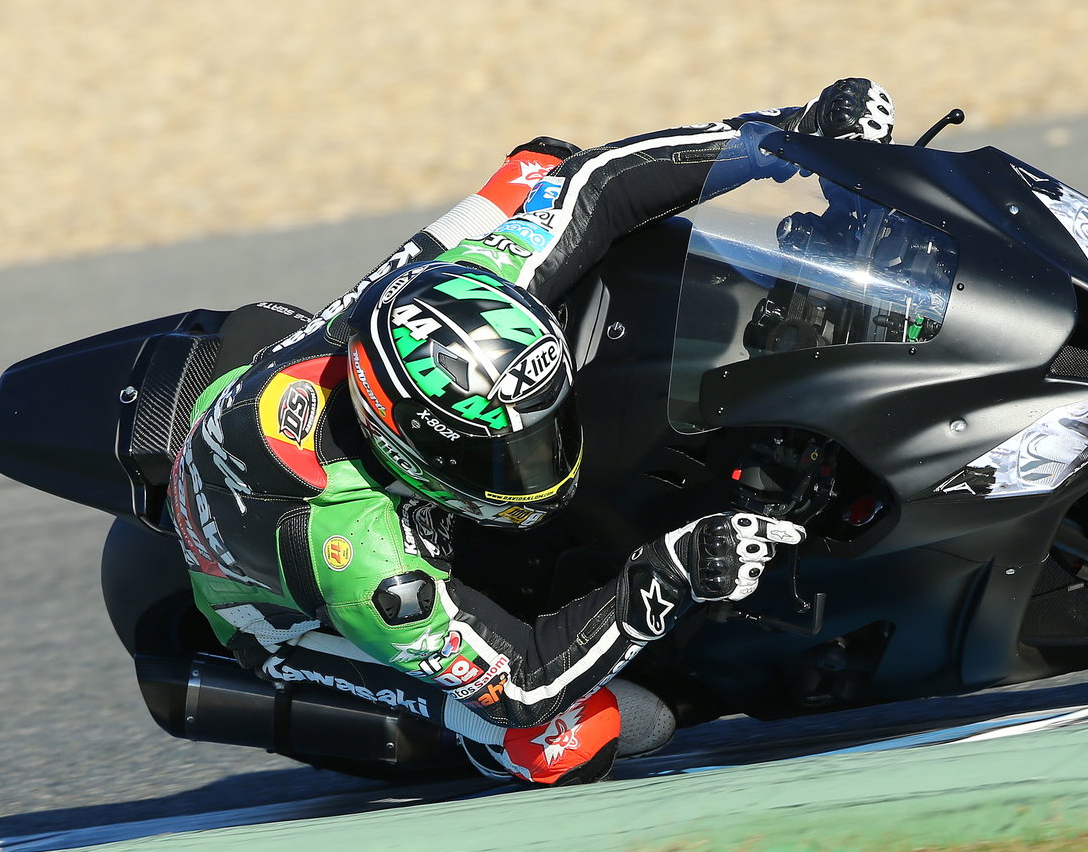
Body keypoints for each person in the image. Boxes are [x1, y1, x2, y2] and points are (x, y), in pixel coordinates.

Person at [167, 79, 897, 786]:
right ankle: (483, 749)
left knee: (543, 169)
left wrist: (786, 132)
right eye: (510, 452)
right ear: (414, 450)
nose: (542, 462)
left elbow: (599, 186)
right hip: (275, 614)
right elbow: (521, 680)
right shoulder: (364, 561)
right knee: (570, 736)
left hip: (312, 369)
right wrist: (667, 575)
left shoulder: (478, 285)